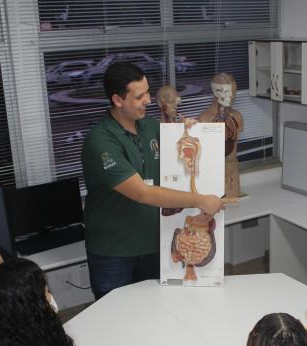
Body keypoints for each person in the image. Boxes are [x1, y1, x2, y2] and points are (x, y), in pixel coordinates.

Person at [81, 62, 226, 300]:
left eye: (148, 92)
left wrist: (190, 130)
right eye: (139, 96)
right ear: (118, 100)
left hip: (154, 243)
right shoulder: (101, 142)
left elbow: (179, 162)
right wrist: (201, 200)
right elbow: (142, 193)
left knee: (155, 309)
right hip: (114, 251)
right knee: (115, 316)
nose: (149, 100)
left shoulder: (150, 126)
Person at [198, 72, 244, 198]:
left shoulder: (237, 117)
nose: (232, 97)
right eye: (228, 93)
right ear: (216, 92)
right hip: (213, 179)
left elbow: (234, 149)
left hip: (233, 176)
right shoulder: (204, 120)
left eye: (234, 93)